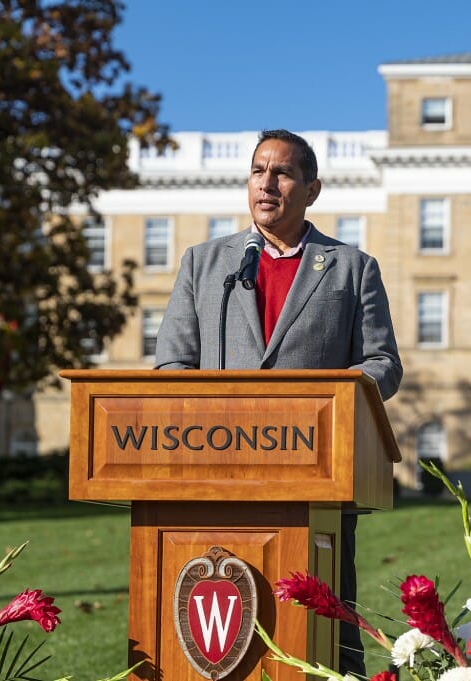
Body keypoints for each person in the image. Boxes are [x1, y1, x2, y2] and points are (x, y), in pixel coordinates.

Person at [154, 129, 402, 675]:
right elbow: (172, 365)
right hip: (216, 477)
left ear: (311, 189)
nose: (267, 184)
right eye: (258, 171)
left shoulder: (351, 267)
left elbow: (383, 364)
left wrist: (324, 397)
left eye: (282, 173)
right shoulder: (204, 263)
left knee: (329, 630)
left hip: (318, 478)